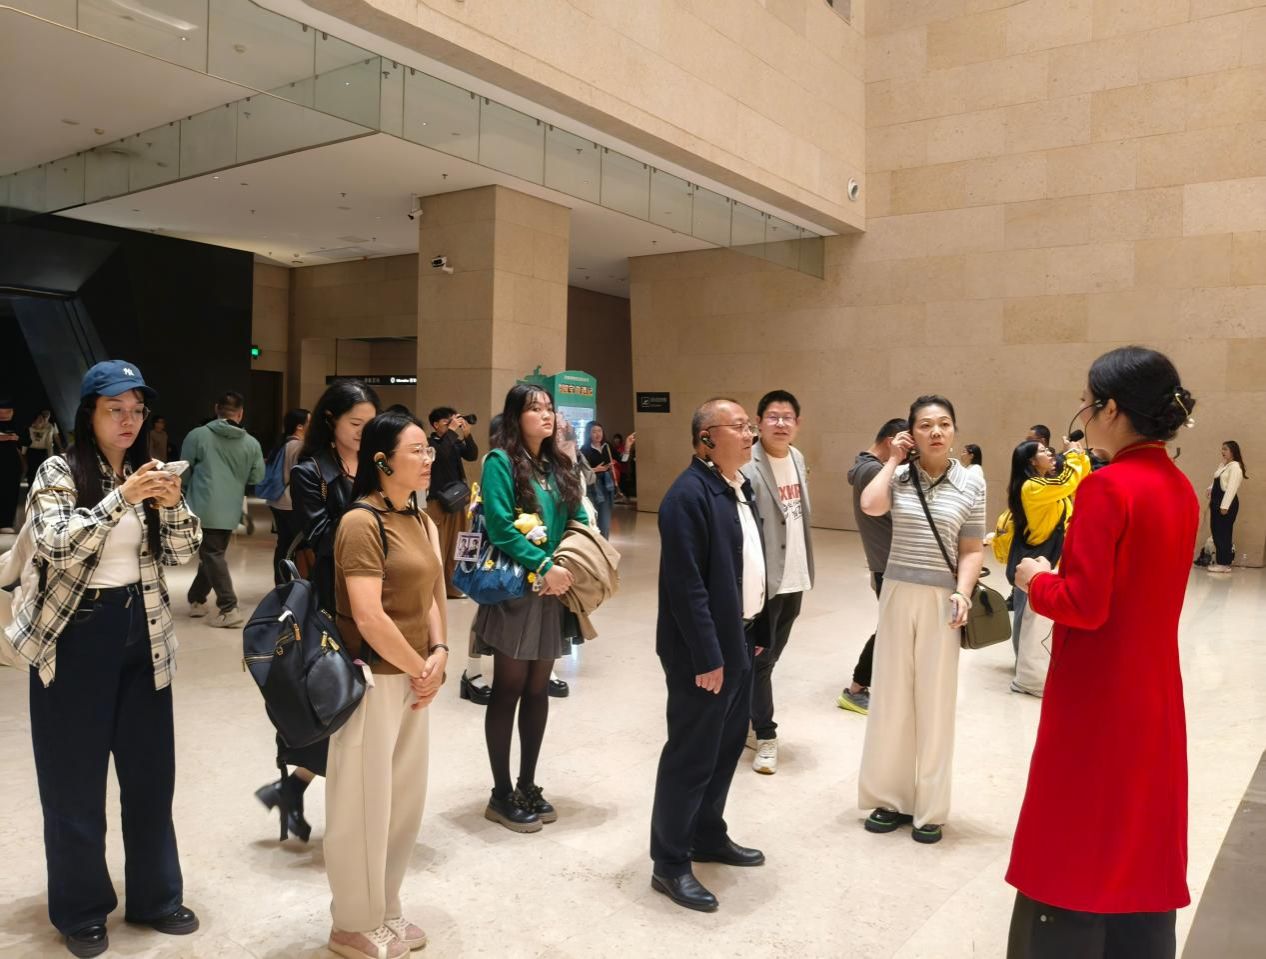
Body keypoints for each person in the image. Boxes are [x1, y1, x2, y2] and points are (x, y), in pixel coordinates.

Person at [6, 360, 203, 958]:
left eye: (136, 410)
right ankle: (81, 908)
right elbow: (57, 545)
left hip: (144, 633)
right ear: (88, 414)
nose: (128, 420)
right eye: (114, 409)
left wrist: (172, 503)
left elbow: (183, 552)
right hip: (77, 636)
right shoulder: (59, 471)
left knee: (151, 778)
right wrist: (123, 497)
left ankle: (157, 897)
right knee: (73, 784)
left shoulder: (148, 472)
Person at [1007, 347, 1199, 959]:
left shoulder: (1108, 487)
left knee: (1075, 830)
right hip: (1154, 688)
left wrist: (1036, 578)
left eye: (1088, 404)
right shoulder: (1180, 488)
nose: (1085, 415)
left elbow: (1084, 604)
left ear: (1112, 409)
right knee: (1139, 831)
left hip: (1097, 693)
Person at [324, 411, 448, 959]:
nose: (428, 458)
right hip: (373, 681)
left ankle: (386, 907)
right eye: (416, 450)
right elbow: (368, 616)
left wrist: (440, 653)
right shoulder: (361, 523)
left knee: (401, 803)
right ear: (382, 461)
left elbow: (432, 596)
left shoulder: (420, 518)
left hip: (415, 680)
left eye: (428, 449)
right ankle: (352, 923)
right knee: (361, 806)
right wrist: (420, 667)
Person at [650, 398, 766, 913]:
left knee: (724, 749)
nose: (750, 434)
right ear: (706, 439)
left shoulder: (737, 486)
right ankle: (670, 862)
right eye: (739, 427)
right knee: (691, 755)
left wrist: (756, 627)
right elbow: (686, 586)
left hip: (737, 639)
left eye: (749, 426)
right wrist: (707, 657)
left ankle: (707, 834)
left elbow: (747, 564)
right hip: (704, 651)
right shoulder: (687, 496)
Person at [253, 380, 379, 843]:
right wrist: (369, 520)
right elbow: (321, 537)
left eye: (370, 424)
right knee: (334, 693)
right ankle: (306, 793)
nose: (364, 432)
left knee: (359, 699)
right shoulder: (312, 471)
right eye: (355, 423)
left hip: (375, 591)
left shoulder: (375, 462)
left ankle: (291, 788)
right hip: (331, 598)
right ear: (331, 420)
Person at [857, 395, 986, 845]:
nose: (936, 431)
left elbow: (972, 548)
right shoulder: (898, 477)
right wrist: (894, 459)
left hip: (942, 599)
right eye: (926, 424)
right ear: (911, 433)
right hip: (896, 592)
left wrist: (963, 592)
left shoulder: (972, 482)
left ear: (954, 431)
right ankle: (889, 798)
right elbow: (871, 506)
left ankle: (929, 807)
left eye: (944, 424)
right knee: (891, 697)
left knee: (935, 701)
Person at [475, 384, 587, 832]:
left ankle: (527, 784)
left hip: (553, 590)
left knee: (539, 690)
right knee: (509, 688)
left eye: (549, 408)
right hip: (516, 590)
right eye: (534, 408)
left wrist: (570, 560)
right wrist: (542, 564)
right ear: (514, 416)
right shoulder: (500, 462)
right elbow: (500, 526)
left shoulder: (557, 464)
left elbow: (577, 516)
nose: (546, 415)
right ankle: (501, 793)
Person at [741, 389, 813, 775]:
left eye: (788, 417)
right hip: (763, 582)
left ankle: (746, 719)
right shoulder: (747, 464)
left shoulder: (797, 458)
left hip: (795, 577)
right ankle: (765, 734)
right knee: (761, 661)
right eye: (773, 416)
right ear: (758, 422)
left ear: (797, 424)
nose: (781, 424)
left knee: (767, 660)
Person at [1002, 439, 1090, 697]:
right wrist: (1072, 455)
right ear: (1031, 461)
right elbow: (1067, 482)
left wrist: (1080, 456)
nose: (1050, 453)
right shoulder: (1032, 486)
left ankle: (1030, 667)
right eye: (1042, 451)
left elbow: (1078, 481)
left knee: (1035, 619)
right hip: (1033, 560)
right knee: (1027, 617)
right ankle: (1025, 671)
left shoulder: (1045, 484)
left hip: (1051, 559)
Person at [180, 391, 265, 628]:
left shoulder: (197, 435)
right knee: (213, 554)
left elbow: (183, 471)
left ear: (216, 408)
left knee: (212, 555)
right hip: (231, 508)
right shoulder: (252, 443)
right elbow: (257, 476)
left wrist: (185, 492)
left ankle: (229, 608)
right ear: (241, 413)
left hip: (201, 506)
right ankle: (197, 599)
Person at [839, 418, 907, 715]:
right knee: (891, 629)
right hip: (888, 565)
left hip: (886, 563)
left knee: (895, 629)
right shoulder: (873, 471)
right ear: (893, 441)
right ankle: (856, 689)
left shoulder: (870, 468)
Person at [424, 406, 478, 599]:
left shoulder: (453, 441)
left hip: (457, 500)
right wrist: (453, 432)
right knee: (439, 544)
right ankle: (435, 589)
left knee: (457, 544)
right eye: (447, 422)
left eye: (452, 421)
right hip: (438, 500)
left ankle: (454, 587)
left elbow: (472, 455)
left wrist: (467, 434)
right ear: (435, 424)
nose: (451, 425)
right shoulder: (430, 444)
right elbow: (442, 455)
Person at [265, 408, 309, 585]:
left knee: (283, 544)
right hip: (291, 502)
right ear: (299, 426)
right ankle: (298, 584)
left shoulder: (282, 443)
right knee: (298, 545)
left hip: (277, 500)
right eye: (309, 422)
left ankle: (281, 584)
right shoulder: (298, 446)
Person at [1207, 440, 1246, 573]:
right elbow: (1218, 480)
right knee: (1216, 531)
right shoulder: (1224, 465)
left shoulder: (1235, 467)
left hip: (1226, 503)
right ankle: (1222, 562)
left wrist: (1225, 506)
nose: (1222, 451)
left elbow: (1231, 488)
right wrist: (1210, 488)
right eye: (1222, 449)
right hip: (1217, 502)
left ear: (1233, 451)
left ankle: (1223, 564)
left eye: (1225, 449)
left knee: (1223, 533)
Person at [580, 421, 617, 538]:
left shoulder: (607, 446)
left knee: (605, 520)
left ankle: (604, 543)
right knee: (593, 518)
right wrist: (596, 469)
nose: (598, 434)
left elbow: (622, 459)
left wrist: (627, 447)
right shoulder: (584, 449)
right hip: (593, 485)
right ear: (589, 434)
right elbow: (581, 471)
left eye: (599, 431)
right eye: (594, 431)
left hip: (607, 485)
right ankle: (595, 543)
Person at [0, 398, 22, 532]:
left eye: (8, 411)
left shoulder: (17, 424)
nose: (4, 414)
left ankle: (6, 522)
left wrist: (15, 438)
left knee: (10, 491)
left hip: (11, 461)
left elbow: (26, 439)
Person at [25, 409, 62, 481]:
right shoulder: (33, 424)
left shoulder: (52, 425)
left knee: (44, 468)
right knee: (32, 470)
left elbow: (56, 437)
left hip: (45, 450)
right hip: (33, 449)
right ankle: (32, 483)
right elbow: (27, 437)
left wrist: (60, 447)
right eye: (44, 414)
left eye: (48, 414)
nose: (46, 416)